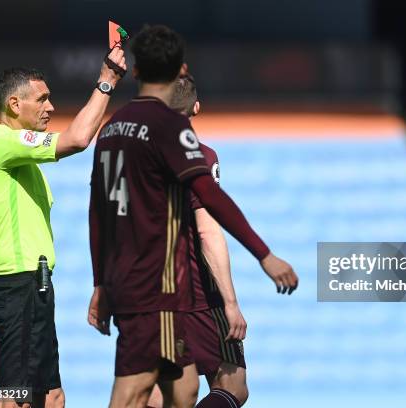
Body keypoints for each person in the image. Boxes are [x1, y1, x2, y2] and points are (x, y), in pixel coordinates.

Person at [86, 25, 297, 408]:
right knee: (138, 392)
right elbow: (210, 200)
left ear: (135, 73)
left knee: (178, 393)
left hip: (125, 281)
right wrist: (264, 254)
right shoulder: (171, 128)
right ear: (178, 69)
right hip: (162, 287)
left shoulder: (111, 130)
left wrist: (101, 283)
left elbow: (98, 212)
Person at [0, 46, 126, 408]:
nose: (50, 108)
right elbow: (76, 139)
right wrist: (106, 82)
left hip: (35, 284)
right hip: (17, 284)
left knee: (51, 398)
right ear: (13, 104)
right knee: (16, 398)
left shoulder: (19, 159)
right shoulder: (1, 143)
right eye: (41, 99)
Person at [143, 75, 249, 408]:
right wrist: (230, 303)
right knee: (232, 384)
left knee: (160, 393)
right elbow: (207, 231)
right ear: (197, 109)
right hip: (197, 293)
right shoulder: (201, 156)